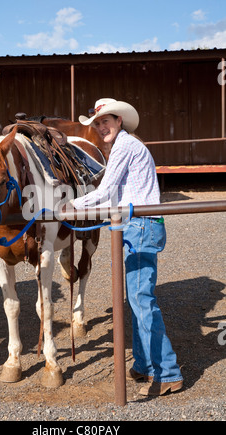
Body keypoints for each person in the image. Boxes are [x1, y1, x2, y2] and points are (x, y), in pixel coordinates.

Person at [70, 98, 183, 396]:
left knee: (141, 298)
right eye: (97, 123)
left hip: (140, 225)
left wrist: (67, 206)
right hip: (138, 225)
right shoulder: (126, 145)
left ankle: (168, 371)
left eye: (106, 120)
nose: (101, 126)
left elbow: (106, 192)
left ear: (119, 120)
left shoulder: (124, 146)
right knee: (135, 298)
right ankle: (145, 364)